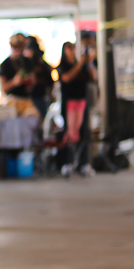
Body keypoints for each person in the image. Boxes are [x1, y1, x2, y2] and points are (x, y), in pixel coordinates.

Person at [56, 41, 95, 176]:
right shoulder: (62, 67)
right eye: (69, 48)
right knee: (68, 133)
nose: (72, 50)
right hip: (69, 104)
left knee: (84, 132)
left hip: (82, 102)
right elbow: (66, 78)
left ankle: (84, 163)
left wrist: (88, 63)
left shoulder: (83, 65)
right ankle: (66, 162)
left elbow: (93, 77)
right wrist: (80, 64)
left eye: (73, 48)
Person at [0, 34, 37, 117]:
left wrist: (29, 81)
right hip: (12, 100)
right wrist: (14, 82)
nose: (18, 50)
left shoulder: (27, 62)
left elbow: (34, 80)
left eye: (21, 47)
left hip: (27, 99)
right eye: (15, 47)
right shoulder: (5, 65)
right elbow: (3, 88)